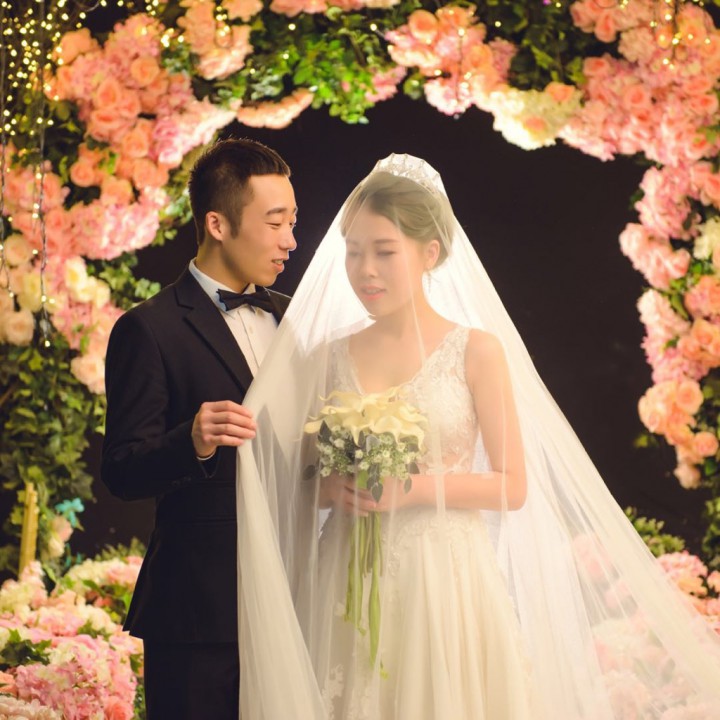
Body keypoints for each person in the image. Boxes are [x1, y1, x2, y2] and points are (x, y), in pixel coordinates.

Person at [232, 153, 720, 720]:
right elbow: (295, 472)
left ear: (429, 253)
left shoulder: (476, 351)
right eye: (354, 251)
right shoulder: (326, 356)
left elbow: (511, 486)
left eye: (384, 252)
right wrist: (328, 489)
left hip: (445, 579)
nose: (365, 270)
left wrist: (407, 490)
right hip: (345, 578)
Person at [101, 137, 297, 720]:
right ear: (217, 223)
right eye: (275, 223)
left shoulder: (295, 317)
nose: (290, 240)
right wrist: (191, 442)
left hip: (295, 598)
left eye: (293, 222)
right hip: (198, 613)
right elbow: (123, 470)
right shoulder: (149, 328)